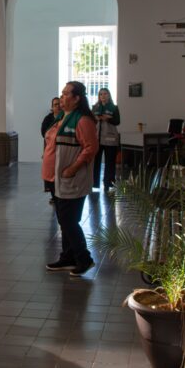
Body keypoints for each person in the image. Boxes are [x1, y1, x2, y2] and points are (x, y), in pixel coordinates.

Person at [43, 81, 99, 277]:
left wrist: (73, 168)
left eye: (67, 94)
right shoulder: (63, 117)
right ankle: (68, 257)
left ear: (77, 99)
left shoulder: (83, 120)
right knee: (64, 220)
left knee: (68, 220)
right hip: (58, 178)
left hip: (72, 178)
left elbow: (91, 148)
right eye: (62, 93)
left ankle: (84, 259)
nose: (62, 97)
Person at [92, 87, 121, 192]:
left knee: (110, 162)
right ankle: (94, 184)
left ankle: (108, 183)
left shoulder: (114, 107)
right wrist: (96, 119)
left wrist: (108, 119)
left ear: (109, 95)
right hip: (97, 138)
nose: (103, 96)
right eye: (101, 94)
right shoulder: (95, 107)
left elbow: (117, 121)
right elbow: (91, 121)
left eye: (105, 94)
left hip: (110, 138)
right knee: (96, 162)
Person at [41, 97, 62, 204]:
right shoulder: (48, 119)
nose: (57, 106)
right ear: (52, 107)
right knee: (49, 172)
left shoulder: (64, 117)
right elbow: (43, 132)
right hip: (49, 147)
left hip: (61, 148)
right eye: (55, 104)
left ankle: (59, 195)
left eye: (59, 104)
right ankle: (53, 195)